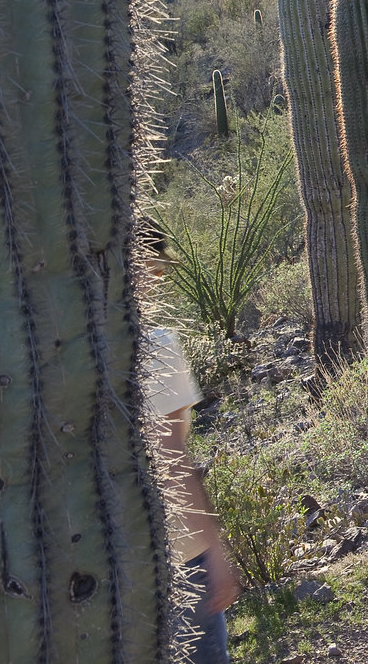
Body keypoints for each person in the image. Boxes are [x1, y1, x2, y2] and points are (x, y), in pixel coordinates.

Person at [142, 229, 241, 664]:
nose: (160, 279)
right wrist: (214, 552)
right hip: (176, 553)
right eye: (157, 267)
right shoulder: (154, 345)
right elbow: (170, 457)